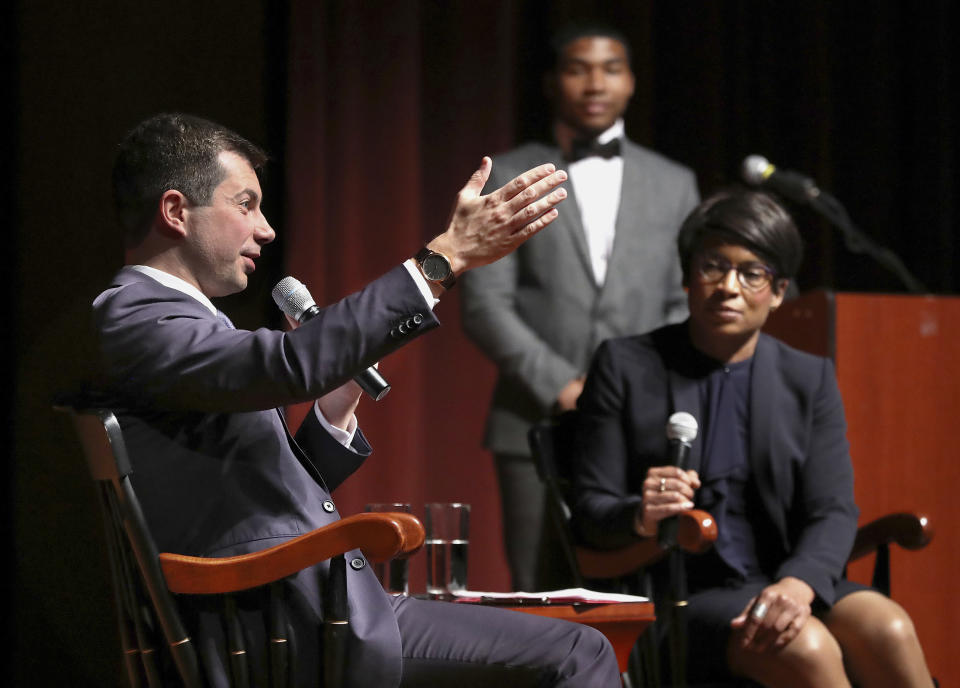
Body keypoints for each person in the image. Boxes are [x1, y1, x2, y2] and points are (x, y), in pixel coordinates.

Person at [79, 113, 619, 688]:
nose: (265, 230)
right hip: (282, 628)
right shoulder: (135, 314)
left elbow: (261, 489)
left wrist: (335, 407)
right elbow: (286, 365)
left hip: (301, 612)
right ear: (175, 211)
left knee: (577, 642)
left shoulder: (179, 320)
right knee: (577, 654)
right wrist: (441, 261)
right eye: (245, 204)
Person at [570, 189, 935, 686]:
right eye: (712, 266)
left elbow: (833, 508)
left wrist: (800, 583)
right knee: (806, 647)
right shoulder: (627, 366)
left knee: (889, 627)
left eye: (752, 273)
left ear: (779, 290)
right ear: (686, 277)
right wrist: (639, 515)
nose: (729, 287)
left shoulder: (807, 378)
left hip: (784, 579)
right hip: (679, 595)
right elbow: (590, 509)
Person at [461, 23, 700, 592]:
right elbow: (486, 301)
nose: (595, 82)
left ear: (632, 82)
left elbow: (680, 297)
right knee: (537, 586)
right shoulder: (510, 172)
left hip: (645, 418)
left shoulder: (674, 182)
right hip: (533, 418)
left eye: (611, 68)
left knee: (648, 584)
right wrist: (564, 386)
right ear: (552, 83)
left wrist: (637, 384)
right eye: (578, 68)